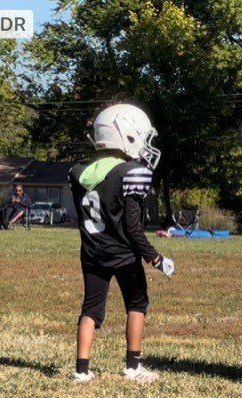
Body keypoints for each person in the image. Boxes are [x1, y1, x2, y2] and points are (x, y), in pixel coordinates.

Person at [69, 103, 176, 383]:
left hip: (91, 250)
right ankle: (133, 366)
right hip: (123, 253)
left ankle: (81, 370)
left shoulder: (79, 171)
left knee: (91, 308)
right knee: (137, 302)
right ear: (127, 134)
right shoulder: (131, 172)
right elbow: (133, 227)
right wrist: (155, 257)